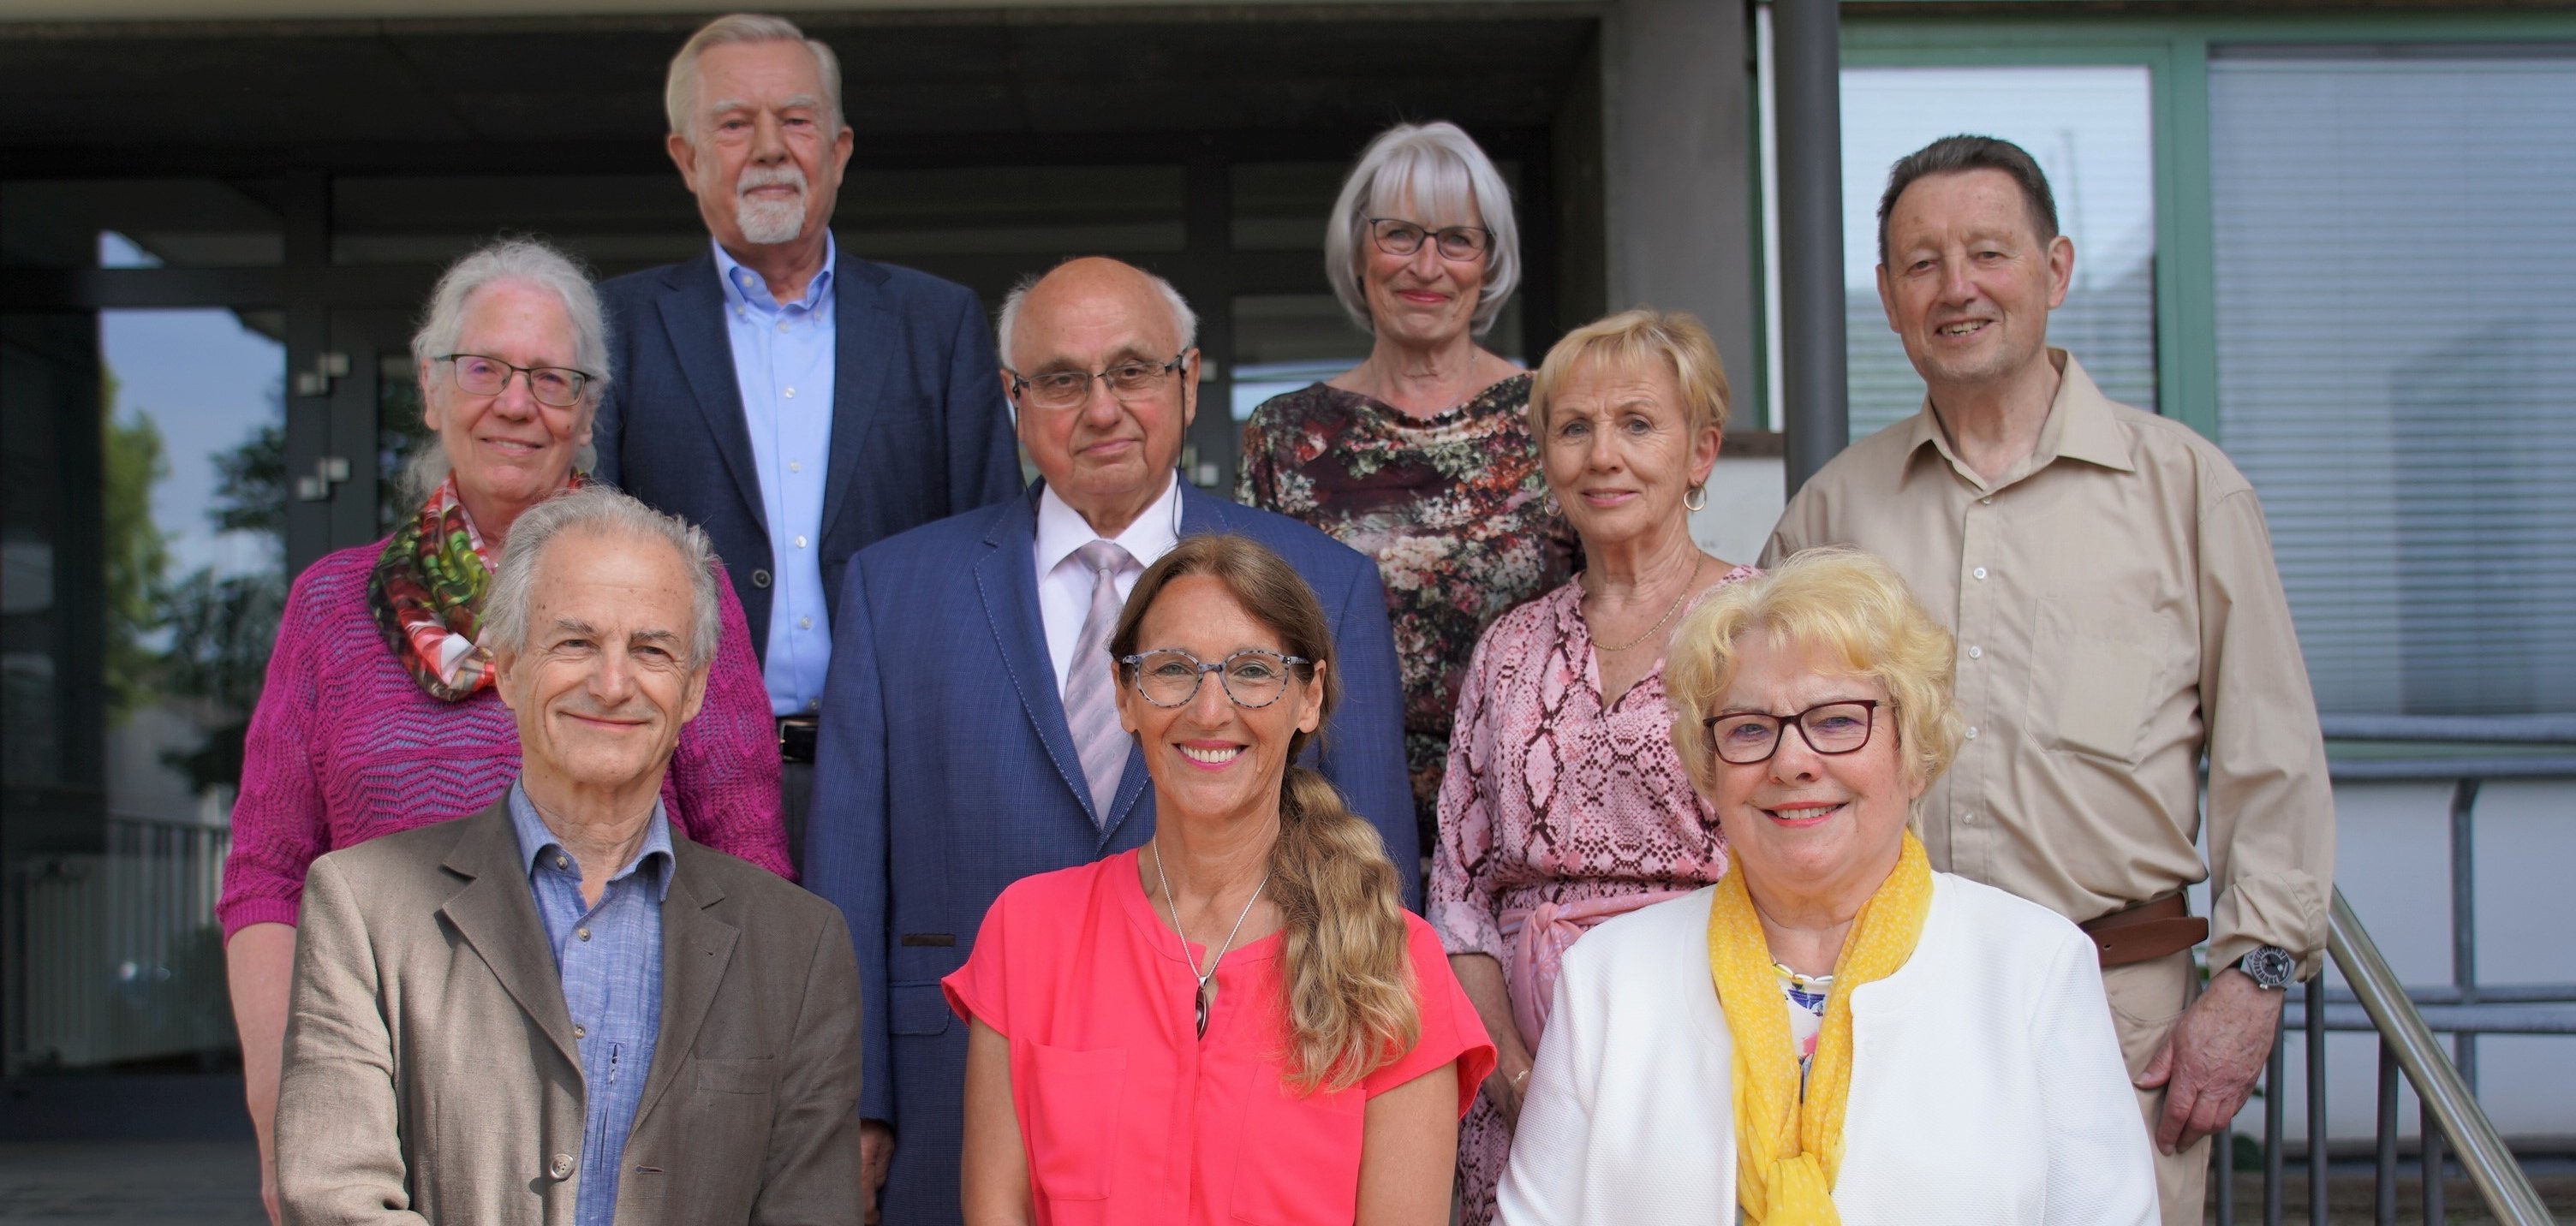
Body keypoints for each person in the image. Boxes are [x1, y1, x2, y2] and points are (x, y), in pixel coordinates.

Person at [1763, 134, 2334, 1224]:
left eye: (1988, 251)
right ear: (1885, 295)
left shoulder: (2184, 490)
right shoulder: (1830, 517)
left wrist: (2250, 981)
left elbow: (2272, 757)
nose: (1956, 286)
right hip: (1884, 1001)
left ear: (2055, 270)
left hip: (2119, 1005)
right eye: (1920, 262)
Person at [803, 256, 1416, 1226]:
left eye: (1132, 370)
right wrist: (855, 1102)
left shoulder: (1324, 584)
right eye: (1059, 379)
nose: (1101, 407)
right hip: (948, 1097)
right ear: (1011, 397)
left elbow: (1378, 869)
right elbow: (845, 870)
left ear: (1188, 377)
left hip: (1264, 1100)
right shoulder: (894, 589)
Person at [218, 237, 788, 1224]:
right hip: (387, 1078)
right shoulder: (328, 608)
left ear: (588, 413)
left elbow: (748, 861)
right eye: (482, 369)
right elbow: (267, 875)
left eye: (551, 378)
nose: (516, 403)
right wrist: (282, 1111)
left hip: (635, 1084)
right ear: (432, 391)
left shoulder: (677, 597)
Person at [1499, 548, 2157, 1224]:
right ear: (1708, 769)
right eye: (1750, 729)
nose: (1793, 762)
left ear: (1914, 748)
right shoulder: (1608, 979)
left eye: (1838, 720)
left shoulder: (2035, 967)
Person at [271, 487, 858, 1225]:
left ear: (695, 689)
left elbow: (811, 1212)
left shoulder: (798, 946)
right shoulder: (363, 911)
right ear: (509, 668)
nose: (612, 685)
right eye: (575, 643)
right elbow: (334, 1198)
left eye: (651, 649)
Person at [946, 534, 1494, 1225]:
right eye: (1173, 669)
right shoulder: (1028, 933)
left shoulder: (1395, 962)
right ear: (1124, 695)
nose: (1210, 711)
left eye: (1254, 670)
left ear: (1309, 698)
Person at [593, 13, 1023, 858]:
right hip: (677, 783)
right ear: (685, 156)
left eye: (794, 120)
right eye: (732, 123)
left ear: (839, 147)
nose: (767, 147)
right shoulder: (617, 328)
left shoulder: (935, 322)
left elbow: (992, 553)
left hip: (902, 776)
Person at [1428, 308, 1755, 1224]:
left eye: (1637, 424)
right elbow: (1458, 887)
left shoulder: (1768, 628)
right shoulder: (1508, 645)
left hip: (1715, 1058)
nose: (1601, 455)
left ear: (1700, 453)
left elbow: (1813, 864)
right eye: (1573, 428)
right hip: (1520, 1087)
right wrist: (1511, 1068)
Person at [1237, 121, 1574, 859]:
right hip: (1334, 824)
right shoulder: (1283, 434)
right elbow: (1250, 638)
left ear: (1490, 262)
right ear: (1359, 251)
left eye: (1457, 240)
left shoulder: (1559, 413)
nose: (1428, 266)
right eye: (1399, 235)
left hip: (1528, 814)